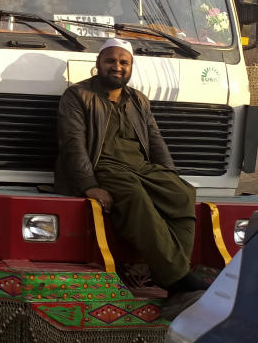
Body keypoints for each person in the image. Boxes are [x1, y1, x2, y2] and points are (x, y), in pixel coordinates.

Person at [56, 38, 208, 297]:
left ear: (130, 67)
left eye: (123, 62)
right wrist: (90, 185)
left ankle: (174, 275)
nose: (117, 66)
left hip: (140, 167)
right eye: (110, 61)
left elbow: (155, 139)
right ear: (98, 64)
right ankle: (178, 280)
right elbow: (73, 142)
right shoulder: (78, 95)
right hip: (102, 166)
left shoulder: (138, 100)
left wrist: (169, 174)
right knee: (136, 198)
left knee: (183, 193)